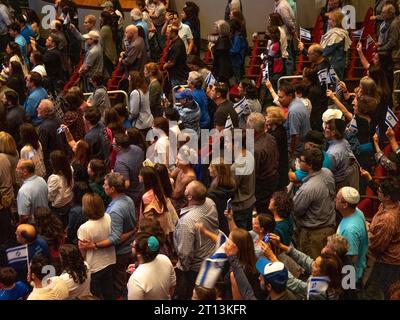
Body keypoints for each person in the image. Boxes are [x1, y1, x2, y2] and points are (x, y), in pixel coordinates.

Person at [79, 173, 136, 298]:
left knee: (116, 287)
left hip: (120, 252)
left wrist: (94, 245)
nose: (103, 187)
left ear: (112, 189)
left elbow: (115, 237)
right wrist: (132, 232)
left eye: (105, 185)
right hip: (128, 246)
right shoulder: (128, 199)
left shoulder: (114, 210)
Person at [173, 181, 219, 299]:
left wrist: (184, 270)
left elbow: (185, 253)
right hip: (213, 256)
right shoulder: (210, 202)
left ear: (189, 197)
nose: (185, 185)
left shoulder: (187, 222)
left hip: (196, 269)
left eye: (187, 187)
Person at [292, 148, 336, 260]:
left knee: (314, 267)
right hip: (329, 227)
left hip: (313, 235)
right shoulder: (327, 172)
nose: (299, 162)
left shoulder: (307, 189)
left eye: (301, 161)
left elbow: (297, 210)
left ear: (310, 165)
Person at [366, 177, 400, 299]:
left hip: (388, 263)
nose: (377, 193)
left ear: (388, 197)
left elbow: (377, 246)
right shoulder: (389, 204)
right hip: (388, 260)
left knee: (376, 292)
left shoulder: (388, 219)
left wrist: (367, 231)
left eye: (379, 191)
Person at [77, 193, 116, 300]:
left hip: (94, 265)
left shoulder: (84, 228)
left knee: (95, 295)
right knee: (109, 291)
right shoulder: (108, 217)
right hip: (110, 259)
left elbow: (82, 250)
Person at [335, 187, 368, 286]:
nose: (334, 200)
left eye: (337, 198)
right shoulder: (357, 211)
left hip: (351, 276)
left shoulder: (350, 230)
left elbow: (351, 260)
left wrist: (346, 285)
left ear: (345, 205)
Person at [246, 113, 279, 213]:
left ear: (253, 131)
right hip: (273, 179)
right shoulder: (270, 138)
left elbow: (252, 174)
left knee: (263, 211)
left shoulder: (256, 149)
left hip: (261, 186)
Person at [127, 233, 176, 300]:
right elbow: (172, 288)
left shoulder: (135, 279)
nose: (131, 247)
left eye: (132, 246)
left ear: (139, 255)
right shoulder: (165, 259)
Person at [278, 85, 311, 160]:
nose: (279, 100)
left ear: (290, 96)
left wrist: (291, 153)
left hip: (297, 149)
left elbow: (295, 136)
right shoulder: (297, 100)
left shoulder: (293, 111)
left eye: (281, 97)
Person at [324, 118, 359, 189]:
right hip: (347, 181)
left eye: (327, 128)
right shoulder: (344, 141)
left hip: (337, 185)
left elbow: (326, 175)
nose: (324, 129)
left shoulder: (332, 153)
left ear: (333, 132)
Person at [113, 133, 144, 206]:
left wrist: (114, 177)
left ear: (119, 147)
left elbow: (126, 184)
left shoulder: (120, 162)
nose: (112, 146)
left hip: (133, 194)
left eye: (113, 144)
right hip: (142, 185)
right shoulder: (137, 148)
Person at [319, 10, 351, 79]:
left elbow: (324, 52)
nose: (328, 21)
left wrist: (306, 51)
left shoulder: (337, 35)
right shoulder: (335, 32)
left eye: (330, 19)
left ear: (336, 21)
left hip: (334, 68)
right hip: (332, 66)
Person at [207, 158, 236, 236]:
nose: (208, 168)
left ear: (216, 171)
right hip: (228, 221)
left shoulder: (212, 193)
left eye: (210, 166)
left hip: (218, 225)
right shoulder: (231, 185)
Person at [16, 160, 48, 224]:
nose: (16, 170)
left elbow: (24, 216)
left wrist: (19, 225)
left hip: (33, 226)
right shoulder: (41, 180)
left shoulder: (24, 191)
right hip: (45, 220)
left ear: (25, 172)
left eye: (18, 168)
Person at [47, 150, 74, 227]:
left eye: (51, 160)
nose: (49, 161)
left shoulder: (54, 178)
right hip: (69, 201)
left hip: (58, 208)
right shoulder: (70, 169)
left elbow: (49, 197)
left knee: (59, 226)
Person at [37, 99, 64, 173]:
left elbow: (43, 147)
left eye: (39, 108)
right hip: (62, 156)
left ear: (46, 112)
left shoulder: (43, 128)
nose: (37, 109)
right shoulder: (59, 120)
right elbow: (62, 135)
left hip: (51, 161)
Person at [266, 106, 289, 190]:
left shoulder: (277, 134)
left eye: (268, 116)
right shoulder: (275, 129)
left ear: (274, 119)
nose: (266, 118)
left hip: (278, 169)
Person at [170, 149, 197, 213]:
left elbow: (175, 195)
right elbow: (170, 175)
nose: (176, 161)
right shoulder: (180, 168)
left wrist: (170, 183)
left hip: (181, 207)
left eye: (178, 160)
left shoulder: (189, 177)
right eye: (176, 158)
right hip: (175, 201)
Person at [100, 10, 118, 77]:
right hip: (112, 53)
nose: (99, 18)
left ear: (103, 19)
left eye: (101, 17)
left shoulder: (104, 29)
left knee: (109, 75)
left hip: (107, 55)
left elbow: (100, 43)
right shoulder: (110, 27)